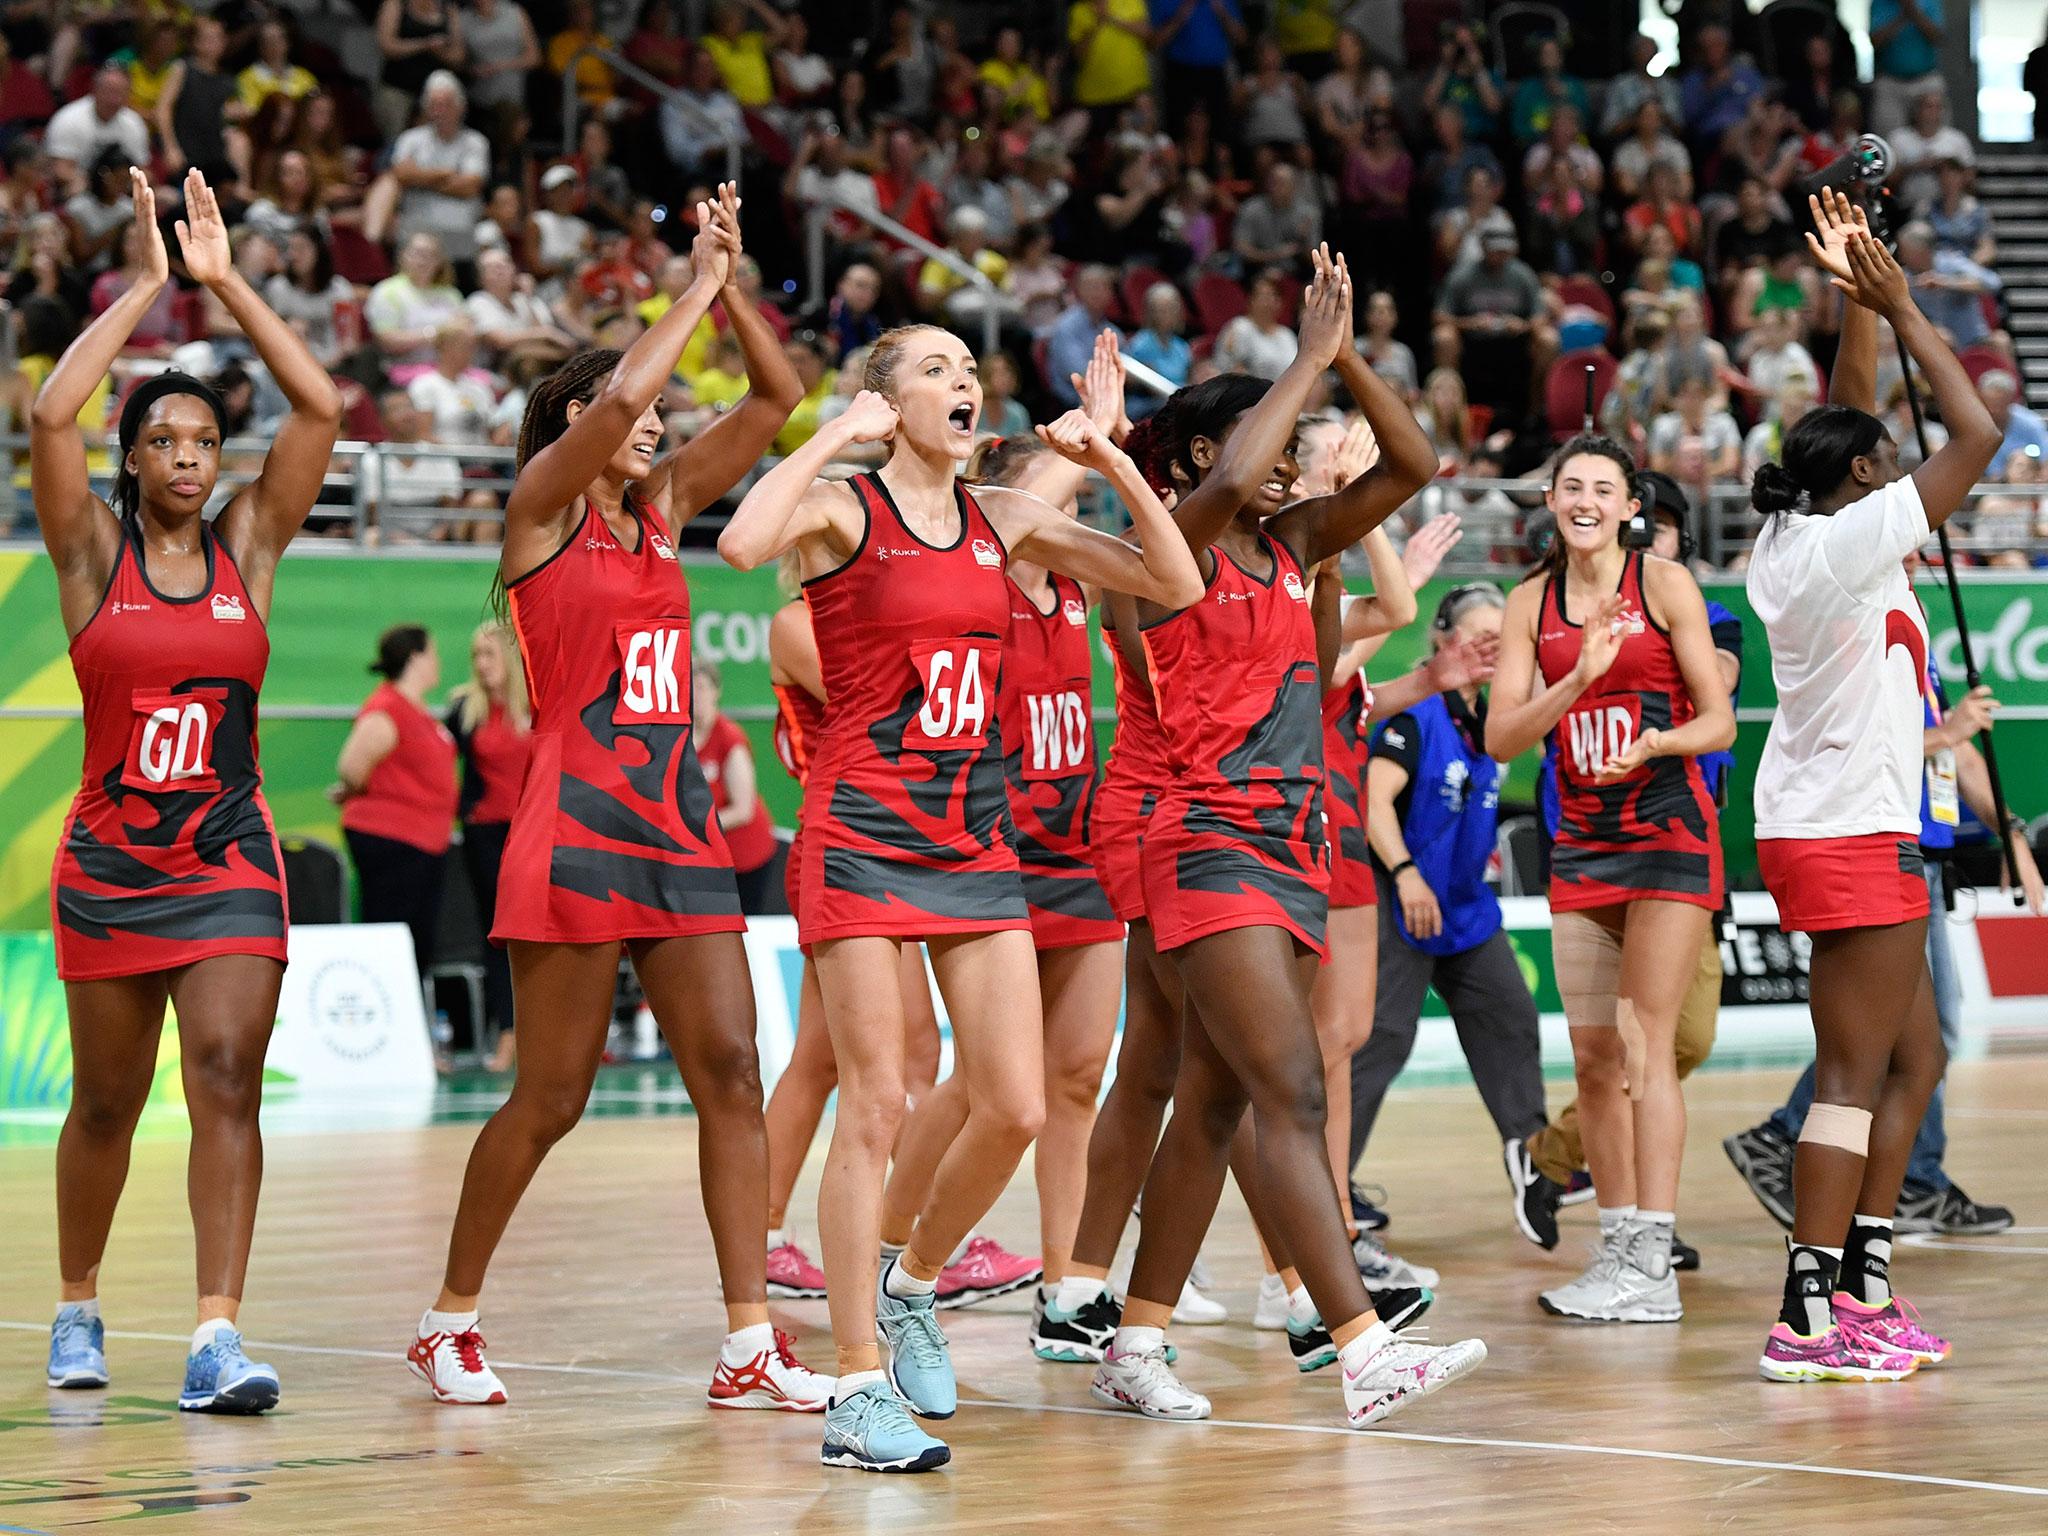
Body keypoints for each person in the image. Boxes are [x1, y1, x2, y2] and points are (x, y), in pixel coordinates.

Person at [720, 310, 1205, 1469]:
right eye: (935, 368)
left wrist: (1112, 460)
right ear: (890, 399)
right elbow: (740, 545)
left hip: (969, 842)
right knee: (877, 1101)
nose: (964, 384)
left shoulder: (1009, 518)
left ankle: (911, 1282)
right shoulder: (846, 509)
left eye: (969, 369)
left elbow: (1174, 583)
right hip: (859, 834)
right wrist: (832, 435)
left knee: (1019, 1103)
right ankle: (850, 1389)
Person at [405, 185, 825, 1414]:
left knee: (733, 1072)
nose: (643, 423)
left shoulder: (667, 513)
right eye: (610, 409)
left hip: (678, 834)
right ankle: (449, 1320)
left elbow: (772, 400)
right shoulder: (536, 516)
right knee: (551, 1098)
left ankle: (748, 1338)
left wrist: (730, 283)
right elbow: (632, 399)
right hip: (575, 834)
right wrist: (682, 292)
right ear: (567, 424)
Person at [1085, 250, 1487, 1431]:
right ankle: (1359, 1347)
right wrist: (1300, 357)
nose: (1296, 451)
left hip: (1286, 844)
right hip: (1198, 840)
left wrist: (1346, 353)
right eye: (1274, 432)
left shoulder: (1294, 548)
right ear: (1211, 457)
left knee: (1212, 1103)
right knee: (1292, 1089)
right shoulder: (1170, 546)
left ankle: (1135, 1339)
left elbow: (1411, 461)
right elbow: (1228, 482)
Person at [37, 169, 342, 1412]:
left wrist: (228, 285)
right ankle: (77, 1307)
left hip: (225, 854)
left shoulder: (249, 547)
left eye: (203, 441)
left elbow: (319, 401)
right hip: (111, 866)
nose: (185, 456)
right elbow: (53, 415)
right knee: (105, 1103)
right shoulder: (89, 553)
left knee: (224, 1070)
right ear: (134, 455)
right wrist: (151, 289)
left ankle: (217, 1334)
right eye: (162, 438)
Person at [1739, 196, 2002, 1381]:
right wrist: (1905, 306)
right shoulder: (1846, 547)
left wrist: (1852, 288)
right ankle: (1804, 1318)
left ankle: (1862, 1287)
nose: (1901, 465)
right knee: (1853, 1073)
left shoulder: (1806, 531)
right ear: (1859, 480)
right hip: (1850, 832)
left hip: (1836, 823)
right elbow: (1977, 434)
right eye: (1885, 463)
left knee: (1916, 1061)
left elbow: (1853, 407)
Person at [1487, 431, 1735, 1325]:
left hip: (1667, 833)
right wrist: (1577, 681)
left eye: (1604, 486)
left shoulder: (1663, 585)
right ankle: (1619, 1250)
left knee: (1643, 1045)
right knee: (1592, 1059)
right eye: (1570, 486)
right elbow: (1503, 738)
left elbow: (1719, 722)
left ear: (1631, 506)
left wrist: (1655, 744)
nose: (1585, 498)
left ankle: (1653, 1263)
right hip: (1581, 846)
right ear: (1551, 502)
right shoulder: (1528, 603)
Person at [758, 575, 944, 1301]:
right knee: (908, 1054)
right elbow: (890, 703)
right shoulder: (796, 623)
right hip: (842, 839)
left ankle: (766, 1234)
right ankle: (920, 1230)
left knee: (819, 1059)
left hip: (889, 841)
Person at [1355, 582, 1553, 1242]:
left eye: (1505, 637)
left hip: (1465, 909)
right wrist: (1406, 875)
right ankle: (1330, 1184)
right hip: (1399, 899)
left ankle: (1533, 1160)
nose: (1493, 648)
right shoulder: (1415, 717)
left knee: (1512, 1017)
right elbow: (1374, 802)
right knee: (1380, 1038)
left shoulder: (1496, 724)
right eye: (1479, 635)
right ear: (1444, 643)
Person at [333, 625, 460, 975]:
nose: (438, 661)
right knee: (392, 941)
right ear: (416, 658)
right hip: (394, 840)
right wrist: (357, 788)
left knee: (416, 944)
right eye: (432, 653)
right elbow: (351, 765)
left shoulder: (415, 710)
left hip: (421, 843)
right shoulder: (389, 707)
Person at [446, 621, 531, 1071]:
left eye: (489, 654)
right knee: (498, 935)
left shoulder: (537, 702)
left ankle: (557, 1036)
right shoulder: (464, 708)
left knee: (545, 935)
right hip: (486, 836)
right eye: (476, 655)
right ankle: (508, 1033)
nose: (481, 664)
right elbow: (439, 766)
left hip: (536, 834)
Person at [692, 655, 779, 913]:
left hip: (744, 856)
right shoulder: (677, 738)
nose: (695, 695)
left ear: (716, 691)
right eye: (689, 688)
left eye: (701, 687)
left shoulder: (730, 738)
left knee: (742, 927)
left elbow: (743, 810)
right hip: (705, 857)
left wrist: (692, 828)